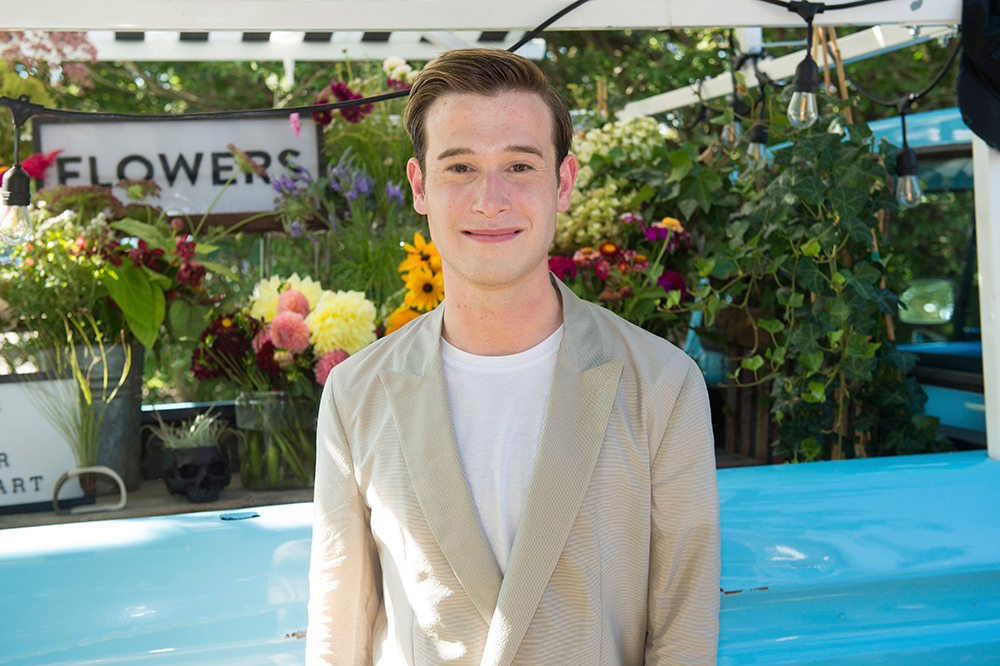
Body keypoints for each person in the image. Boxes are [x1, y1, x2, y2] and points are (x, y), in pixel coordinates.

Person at [306, 48, 720, 665]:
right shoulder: (355, 394)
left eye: (520, 165)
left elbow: (684, 633)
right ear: (420, 185)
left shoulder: (662, 385)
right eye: (461, 167)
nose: (490, 199)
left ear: (564, 181)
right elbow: (339, 636)